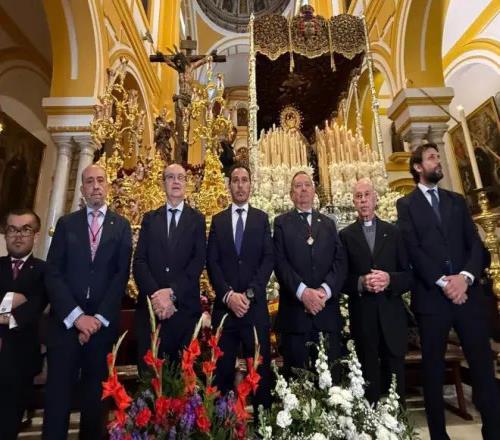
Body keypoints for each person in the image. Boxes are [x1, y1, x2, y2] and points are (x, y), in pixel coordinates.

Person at [396, 143, 500, 440]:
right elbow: (413, 250)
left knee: (482, 367)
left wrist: (465, 278)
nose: (438, 161)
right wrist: (444, 282)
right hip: (433, 300)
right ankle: (439, 435)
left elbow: (475, 245)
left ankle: (493, 430)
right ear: (418, 167)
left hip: (468, 298)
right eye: (432, 158)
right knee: (432, 371)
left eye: (438, 157)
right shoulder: (406, 205)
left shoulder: (456, 201)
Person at [43, 164, 132, 440]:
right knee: (57, 399)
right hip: (66, 326)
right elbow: (53, 273)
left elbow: (120, 276)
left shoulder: (122, 226)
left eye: (100, 180)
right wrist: (76, 317)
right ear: (82, 189)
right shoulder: (66, 224)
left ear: (108, 186)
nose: (95, 186)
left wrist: (97, 320)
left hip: (101, 329)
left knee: (95, 402)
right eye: (90, 181)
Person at [207, 163, 274, 411]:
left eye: (244, 180)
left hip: (253, 309)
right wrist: (228, 296)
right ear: (229, 185)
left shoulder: (261, 219)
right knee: (222, 375)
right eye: (235, 180)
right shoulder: (218, 221)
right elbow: (212, 262)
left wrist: (248, 295)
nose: (240, 185)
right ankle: (222, 425)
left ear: (251, 185)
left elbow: (268, 259)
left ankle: (263, 424)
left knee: (260, 374)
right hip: (225, 312)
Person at [339, 178, 411, 404]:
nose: (363, 200)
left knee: (396, 382)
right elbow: (341, 279)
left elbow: (409, 275)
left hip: (392, 317)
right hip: (364, 317)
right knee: (368, 379)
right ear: (353, 202)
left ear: (376, 198)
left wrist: (389, 279)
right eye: (358, 196)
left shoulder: (394, 232)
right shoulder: (345, 236)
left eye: (367, 195)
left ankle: (399, 421)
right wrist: (361, 282)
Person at [274, 171, 347, 376]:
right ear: (291, 194)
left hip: (326, 313)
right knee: (297, 380)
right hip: (295, 315)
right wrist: (303, 293)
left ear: (314, 192)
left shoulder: (329, 223)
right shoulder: (281, 223)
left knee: (330, 379)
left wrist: (324, 291)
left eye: (307, 185)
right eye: (298, 186)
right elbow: (280, 262)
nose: (304, 189)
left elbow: (340, 262)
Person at [133, 163, 206, 369]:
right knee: (151, 379)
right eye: (170, 177)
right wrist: (157, 297)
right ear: (163, 183)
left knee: (181, 379)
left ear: (186, 183)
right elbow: (139, 261)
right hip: (152, 312)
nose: (175, 182)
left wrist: (172, 294)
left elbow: (197, 262)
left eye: (180, 177)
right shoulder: (149, 219)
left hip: (183, 312)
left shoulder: (197, 220)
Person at [0, 208, 47, 440]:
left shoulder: (44, 271)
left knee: (8, 427)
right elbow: (21, 305)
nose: (18, 235)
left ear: (36, 236)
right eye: (12, 229)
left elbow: (36, 306)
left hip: (21, 360)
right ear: (5, 235)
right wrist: (14, 300)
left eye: (25, 230)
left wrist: (5, 311)